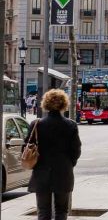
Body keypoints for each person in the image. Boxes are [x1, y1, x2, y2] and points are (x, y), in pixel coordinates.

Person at [25, 89, 82, 220]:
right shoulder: (70, 125)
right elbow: (76, 150)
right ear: (64, 104)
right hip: (64, 172)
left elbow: (26, 146)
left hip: (41, 172)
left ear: (45, 104)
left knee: (43, 210)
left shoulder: (36, 124)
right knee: (61, 211)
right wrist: (69, 163)